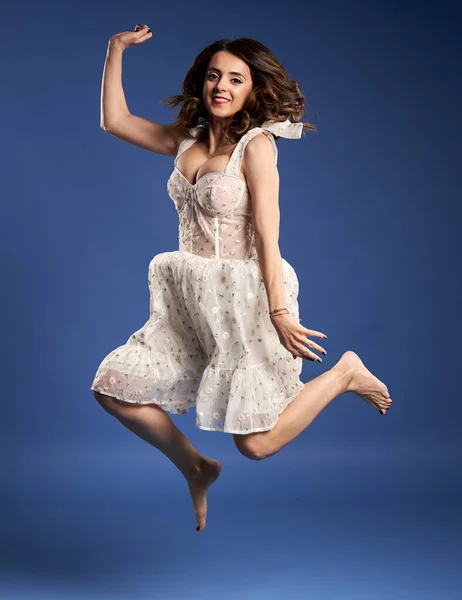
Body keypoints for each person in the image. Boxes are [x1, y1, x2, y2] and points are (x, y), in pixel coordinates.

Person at [91, 26, 392, 532]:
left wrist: (278, 312)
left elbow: (268, 239)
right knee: (113, 388)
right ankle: (196, 466)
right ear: (201, 83)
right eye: (214, 76)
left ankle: (343, 373)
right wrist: (114, 50)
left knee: (255, 443)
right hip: (187, 298)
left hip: (244, 300)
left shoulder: (257, 147)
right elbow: (115, 121)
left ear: (254, 90)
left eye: (236, 78)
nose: (221, 86)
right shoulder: (183, 140)